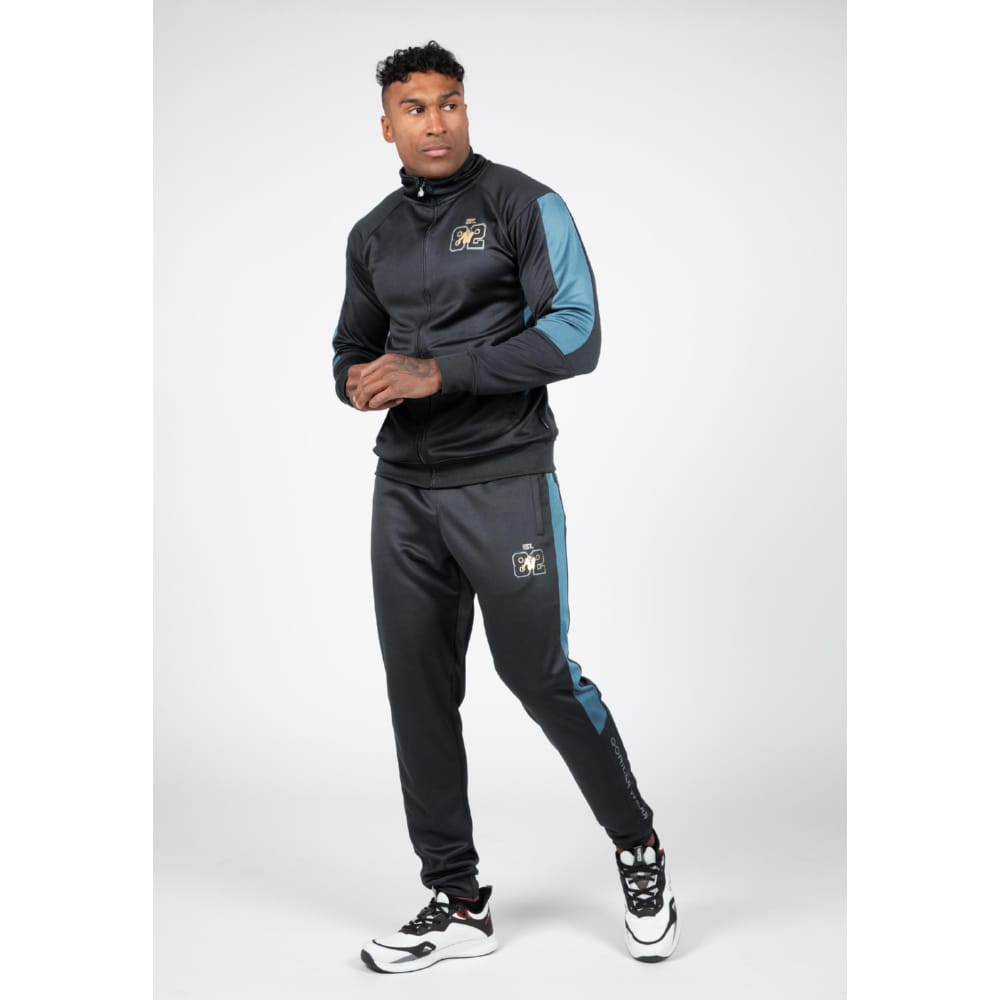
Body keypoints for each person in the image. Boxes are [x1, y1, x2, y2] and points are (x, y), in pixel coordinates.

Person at [332, 40, 679, 973]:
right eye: (414, 108)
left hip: (504, 481)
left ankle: (638, 845)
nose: (436, 122)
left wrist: (438, 372)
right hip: (404, 492)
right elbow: (351, 345)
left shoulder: (524, 204)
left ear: (466, 109)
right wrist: (356, 381)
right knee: (418, 691)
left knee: (540, 675)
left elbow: (578, 333)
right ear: (387, 126)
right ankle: (458, 901)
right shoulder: (372, 234)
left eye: (449, 103)